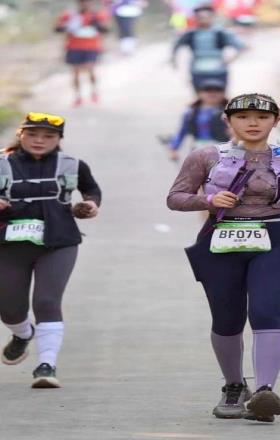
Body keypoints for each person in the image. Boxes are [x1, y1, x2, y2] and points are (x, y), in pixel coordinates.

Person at [167, 93, 280, 422]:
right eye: (243, 117)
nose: (253, 123)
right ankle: (233, 385)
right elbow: (175, 197)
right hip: (221, 239)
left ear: (276, 120)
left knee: (266, 311)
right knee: (227, 318)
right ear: (228, 120)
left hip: (275, 237)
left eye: (261, 117)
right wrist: (209, 200)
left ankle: (264, 392)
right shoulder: (205, 156)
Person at [0, 112, 102, 388]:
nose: (39, 140)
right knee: (9, 308)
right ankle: (23, 334)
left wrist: (90, 205)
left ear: (59, 139)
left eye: (48, 136)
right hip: (8, 243)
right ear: (20, 135)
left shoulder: (72, 165)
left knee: (47, 302)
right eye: (32, 134)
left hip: (58, 241)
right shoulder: (2, 163)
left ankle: (47, 365)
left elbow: (91, 190)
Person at [170, 4, 245, 92]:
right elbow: (176, 47)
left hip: (218, 71)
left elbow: (241, 47)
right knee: (201, 95)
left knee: (218, 95)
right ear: (195, 18)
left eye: (206, 17)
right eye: (200, 17)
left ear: (212, 17)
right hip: (198, 71)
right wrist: (174, 61)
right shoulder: (190, 34)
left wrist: (230, 60)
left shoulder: (221, 33)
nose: (203, 19)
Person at [158, 79, 230, 161]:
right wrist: (174, 148)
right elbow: (182, 131)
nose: (212, 93)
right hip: (199, 148)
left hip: (223, 149)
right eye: (207, 90)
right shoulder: (191, 112)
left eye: (217, 90)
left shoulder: (230, 111)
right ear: (199, 93)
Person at [55, 0, 110, 107]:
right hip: (74, 47)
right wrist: (66, 27)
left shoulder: (96, 15)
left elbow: (105, 29)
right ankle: (78, 97)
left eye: (87, 2)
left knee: (90, 69)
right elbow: (58, 28)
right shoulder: (70, 15)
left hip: (91, 47)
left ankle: (94, 92)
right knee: (75, 72)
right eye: (82, 2)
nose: (85, 4)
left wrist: (98, 25)